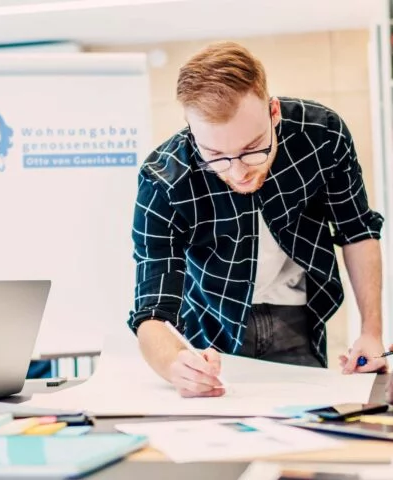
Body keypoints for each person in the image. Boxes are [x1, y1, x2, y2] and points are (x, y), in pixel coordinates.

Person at [129, 42, 385, 399]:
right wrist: (175, 366)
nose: (239, 172)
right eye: (216, 156)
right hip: (211, 329)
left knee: (305, 434)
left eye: (253, 149)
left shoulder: (322, 135)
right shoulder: (163, 181)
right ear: (191, 130)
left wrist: (372, 332)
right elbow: (151, 311)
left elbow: (356, 230)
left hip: (297, 320)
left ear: (273, 112)